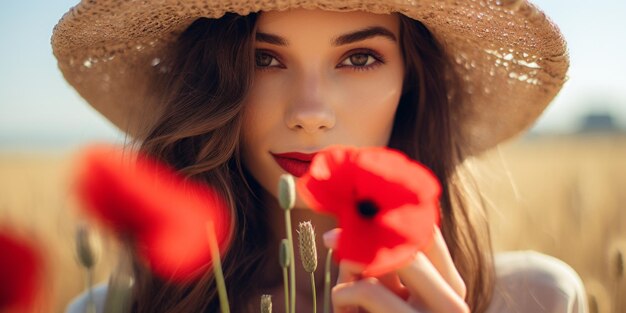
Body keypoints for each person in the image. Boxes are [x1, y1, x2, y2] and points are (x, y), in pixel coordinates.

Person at [54, 1, 587, 312]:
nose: (310, 113)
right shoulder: (108, 309)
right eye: (265, 58)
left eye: (359, 57)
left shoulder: (537, 300)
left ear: (411, 83)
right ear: (213, 83)